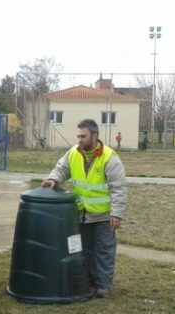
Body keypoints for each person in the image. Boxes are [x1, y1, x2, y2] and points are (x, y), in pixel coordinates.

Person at [42, 119, 127, 298]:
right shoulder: (73, 152)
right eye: (78, 136)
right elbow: (61, 168)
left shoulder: (110, 158)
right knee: (83, 250)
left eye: (83, 136)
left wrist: (117, 214)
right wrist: (53, 180)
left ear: (95, 136)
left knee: (104, 250)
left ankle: (103, 285)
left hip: (104, 216)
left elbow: (118, 188)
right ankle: (88, 282)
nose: (80, 139)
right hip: (82, 214)